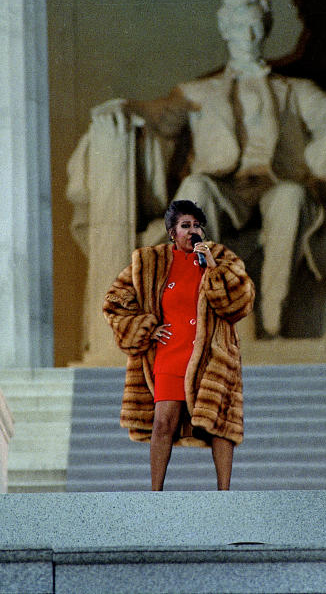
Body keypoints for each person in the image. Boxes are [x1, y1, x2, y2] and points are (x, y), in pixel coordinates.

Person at [88, 0, 326, 340]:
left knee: (292, 197)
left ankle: (273, 315)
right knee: (195, 189)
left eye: (254, 26)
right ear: (225, 30)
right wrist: (126, 108)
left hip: (274, 184)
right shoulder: (196, 92)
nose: (247, 37)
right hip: (223, 189)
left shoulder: (292, 90)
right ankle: (199, 303)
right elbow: (161, 114)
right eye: (239, 27)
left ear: (264, 30)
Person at [104, 200, 255, 491]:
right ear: (172, 231)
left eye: (197, 225)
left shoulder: (222, 258)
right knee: (162, 424)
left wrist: (212, 267)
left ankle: (225, 495)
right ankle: (155, 494)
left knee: (220, 426)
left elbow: (239, 303)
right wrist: (145, 326)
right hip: (170, 354)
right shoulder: (149, 262)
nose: (192, 231)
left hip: (212, 356)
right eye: (186, 226)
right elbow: (114, 301)